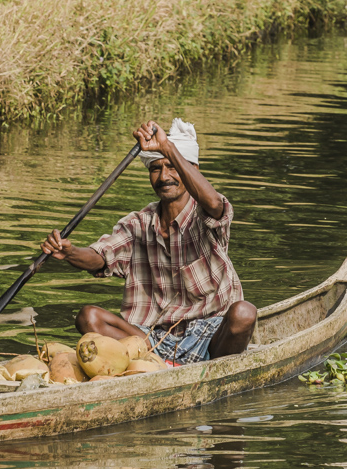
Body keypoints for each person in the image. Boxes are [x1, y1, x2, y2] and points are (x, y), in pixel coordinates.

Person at [40, 118, 257, 365]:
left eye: (172, 167)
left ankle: (214, 372)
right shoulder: (138, 224)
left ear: (192, 170)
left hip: (210, 335)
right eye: (155, 168)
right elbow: (100, 257)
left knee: (244, 314)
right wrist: (69, 252)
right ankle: (158, 366)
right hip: (151, 341)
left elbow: (216, 204)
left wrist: (167, 148)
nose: (164, 176)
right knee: (88, 317)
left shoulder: (205, 215)